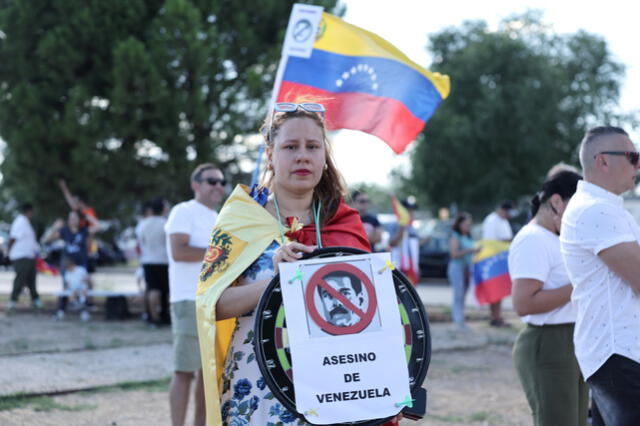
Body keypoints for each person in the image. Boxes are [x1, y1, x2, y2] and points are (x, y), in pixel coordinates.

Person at [195, 102, 370, 425]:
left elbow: (370, 316)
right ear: (271, 154)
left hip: (331, 384)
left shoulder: (345, 222)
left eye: (312, 147)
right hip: (257, 385)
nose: (302, 155)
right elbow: (212, 306)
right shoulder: (240, 220)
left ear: (323, 156)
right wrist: (279, 280)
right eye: (291, 146)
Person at [560, 126, 640, 425]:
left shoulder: (605, 208)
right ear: (603, 161)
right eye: (633, 157)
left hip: (618, 351)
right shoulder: (596, 211)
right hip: (618, 352)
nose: (638, 165)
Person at [510, 170, 588, 426]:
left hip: (569, 339)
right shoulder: (532, 240)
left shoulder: (554, 238)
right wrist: (581, 284)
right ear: (556, 202)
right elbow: (524, 303)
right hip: (548, 342)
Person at [165, 163, 225, 426]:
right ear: (196, 185)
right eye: (212, 181)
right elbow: (179, 251)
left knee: (207, 375)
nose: (218, 186)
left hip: (214, 301)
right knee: (184, 371)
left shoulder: (219, 217)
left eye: (222, 182)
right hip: (188, 300)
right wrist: (221, 255)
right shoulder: (183, 211)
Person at [481, 201, 515, 326]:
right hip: (493, 258)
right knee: (494, 289)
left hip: (501, 258)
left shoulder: (503, 221)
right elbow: (493, 241)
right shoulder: (491, 220)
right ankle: (494, 316)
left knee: (500, 289)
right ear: (503, 210)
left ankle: (498, 316)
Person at [139, 197, 170, 326]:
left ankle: (153, 317)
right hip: (164, 260)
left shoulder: (143, 223)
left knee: (152, 289)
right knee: (166, 290)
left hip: (148, 260)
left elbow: (142, 241)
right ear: (163, 209)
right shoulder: (166, 223)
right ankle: (165, 314)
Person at [7, 203, 41, 311]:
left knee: (32, 278)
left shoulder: (26, 223)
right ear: (29, 212)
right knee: (20, 279)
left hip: (29, 255)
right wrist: (9, 251)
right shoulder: (20, 222)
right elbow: (13, 238)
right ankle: (13, 301)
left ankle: (35, 300)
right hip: (20, 255)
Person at [447, 212, 478, 330]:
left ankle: (460, 319)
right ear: (459, 224)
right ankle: (457, 320)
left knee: (463, 294)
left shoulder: (469, 236)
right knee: (458, 294)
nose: (468, 225)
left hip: (466, 268)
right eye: (466, 223)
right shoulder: (455, 236)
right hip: (457, 268)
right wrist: (469, 251)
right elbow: (454, 254)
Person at [58, 256, 92, 322]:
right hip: (73, 290)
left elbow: (88, 279)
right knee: (64, 295)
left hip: (83, 288)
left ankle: (83, 312)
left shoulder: (81, 270)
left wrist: (86, 281)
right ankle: (62, 312)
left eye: (68, 267)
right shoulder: (67, 273)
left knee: (82, 294)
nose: (68, 269)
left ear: (72, 265)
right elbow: (68, 284)